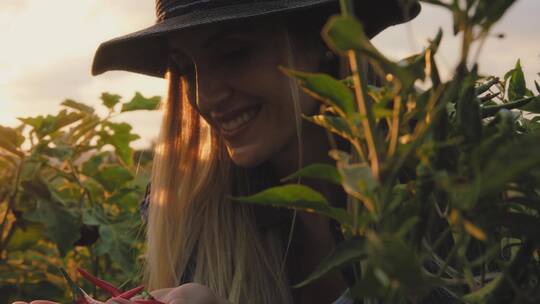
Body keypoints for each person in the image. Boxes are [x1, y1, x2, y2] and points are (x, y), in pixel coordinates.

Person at [14, 1, 420, 303]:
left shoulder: (444, 202)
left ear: (326, 39)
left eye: (233, 52)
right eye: (185, 66)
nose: (204, 96)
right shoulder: (201, 225)